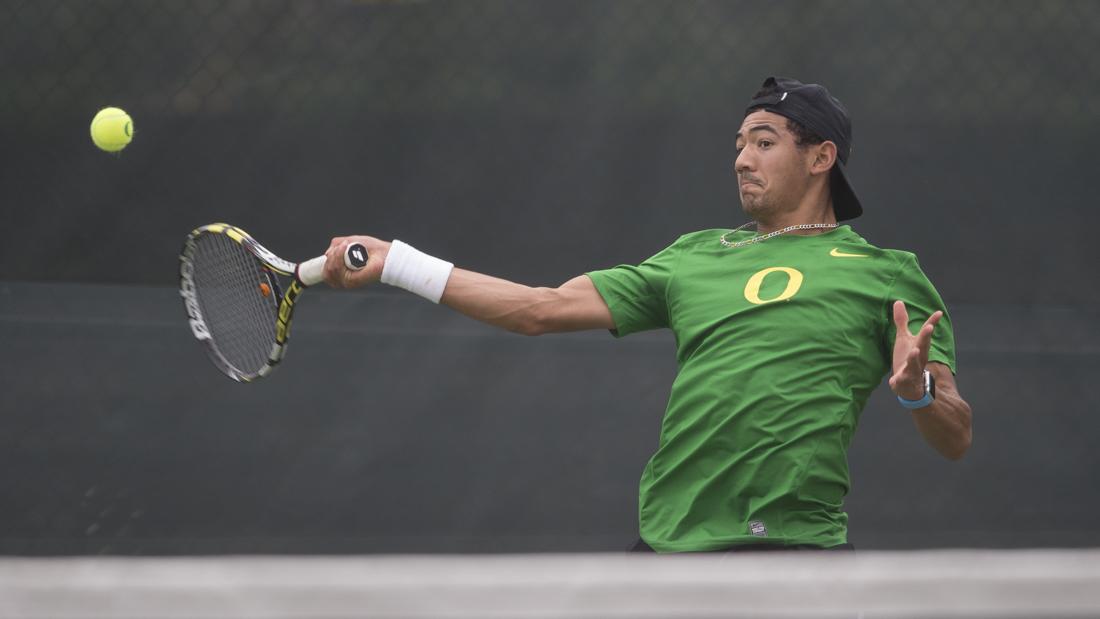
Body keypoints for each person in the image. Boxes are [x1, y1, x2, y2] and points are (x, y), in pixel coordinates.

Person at [320, 77, 973, 553]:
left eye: (765, 142)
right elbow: (537, 309)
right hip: (665, 549)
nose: (742, 158)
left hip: (793, 550)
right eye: (739, 143)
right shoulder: (693, 257)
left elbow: (956, 435)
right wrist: (396, 262)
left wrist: (917, 395)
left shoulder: (886, 274)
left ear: (821, 156)